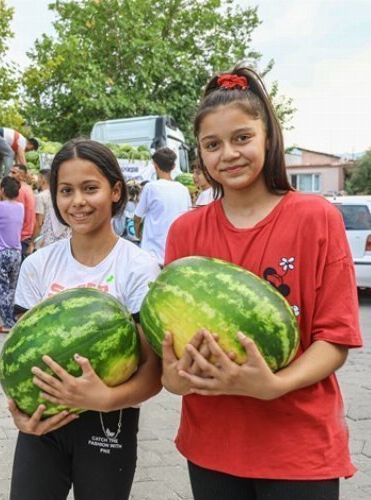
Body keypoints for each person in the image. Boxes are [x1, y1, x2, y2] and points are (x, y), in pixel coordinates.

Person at [162, 67, 362, 500]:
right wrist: (174, 377)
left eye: (242, 138)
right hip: (212, 445)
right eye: (212, 145)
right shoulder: (185, 232)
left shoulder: (316, 218)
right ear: (199, 154)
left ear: (268, 137)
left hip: (299, 448)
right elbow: (171, 351)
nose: (228, 154)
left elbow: (336, 337)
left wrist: (274, 386)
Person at [8, 139, 162, 500]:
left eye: (90, 188)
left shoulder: (139, 269)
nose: (77, 201)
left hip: (110, 420)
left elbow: (153, 374)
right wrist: (20, 410)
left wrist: (104, 399)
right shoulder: (38, 265)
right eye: (66, 190)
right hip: (44, 421)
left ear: (115, 190)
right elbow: (21, 355)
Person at [133, 147, 191, 265]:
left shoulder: (151, 187)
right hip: (176, 255)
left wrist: (137, 232)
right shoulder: (184, 190)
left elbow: (137, 217)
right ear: (174, 166)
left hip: (152, 255)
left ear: (155, 166)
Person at [0, 176, 24, 334]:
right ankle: (15, 320)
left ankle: (8, 323)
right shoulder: (20, 206)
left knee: (0, 290)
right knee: (12, 288)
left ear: (2, 190)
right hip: (16, 252)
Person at [32, 169, 70, 251]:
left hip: (47, 242)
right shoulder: (55, 197)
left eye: (38, 179)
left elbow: (39, 223)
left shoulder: (40, 197)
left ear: (42, 180)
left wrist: (34, 243)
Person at [9, 164, 36, 259]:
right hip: (27, 234)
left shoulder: (19, 191)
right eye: (10, 172)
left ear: (21, 176)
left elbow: (17, 216)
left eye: (13, 173)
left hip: (21, 236)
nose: (10, 175)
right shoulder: (27, 188)